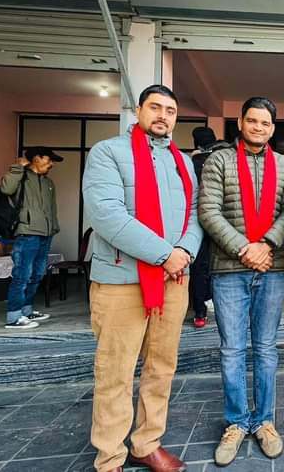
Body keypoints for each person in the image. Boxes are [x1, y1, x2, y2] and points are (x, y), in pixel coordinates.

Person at [82, 84, 203, 472]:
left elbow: (195, 215)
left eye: (170, 110)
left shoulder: (183, 162)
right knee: (115, 371)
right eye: (155, 107)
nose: (163, 116)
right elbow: (107, 215)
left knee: (161, 367)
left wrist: (184, 252)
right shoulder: (108, 153)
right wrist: (166, 255)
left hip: (173, 281)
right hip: (121, 280)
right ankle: (109, 456)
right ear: (139, 110)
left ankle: (147, 442)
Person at [198, 97, 284, 466]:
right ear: (240, 122)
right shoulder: (219, 161)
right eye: (252, 120)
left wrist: (266, 245)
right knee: (232, 350)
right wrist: (245, 249)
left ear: (273, 128)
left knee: (267, 348)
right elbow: (208, 211)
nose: (258, 127)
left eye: (265, 122)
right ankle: (237, 422)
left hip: (272, 267)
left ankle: (265, 421)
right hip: (228, 269)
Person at [1, 146, 62, 329]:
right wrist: (18, 167)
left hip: (45, 234)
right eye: (49, 160)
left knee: (37, 275)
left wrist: (53, 227)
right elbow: (6, 189)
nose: (51, 164)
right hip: (27, 233)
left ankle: (26, 311)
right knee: (22, 275)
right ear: (36, 158)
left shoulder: (48, 182)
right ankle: (13, 317)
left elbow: (52, 209)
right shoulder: (20, 177)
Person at [189, 126, 231, 329]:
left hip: (199, 221)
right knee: (226, 264)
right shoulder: (228, 157)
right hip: (226, 221)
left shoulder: (193, 162)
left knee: (199, 266)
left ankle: (200, 312)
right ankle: (227, 310)